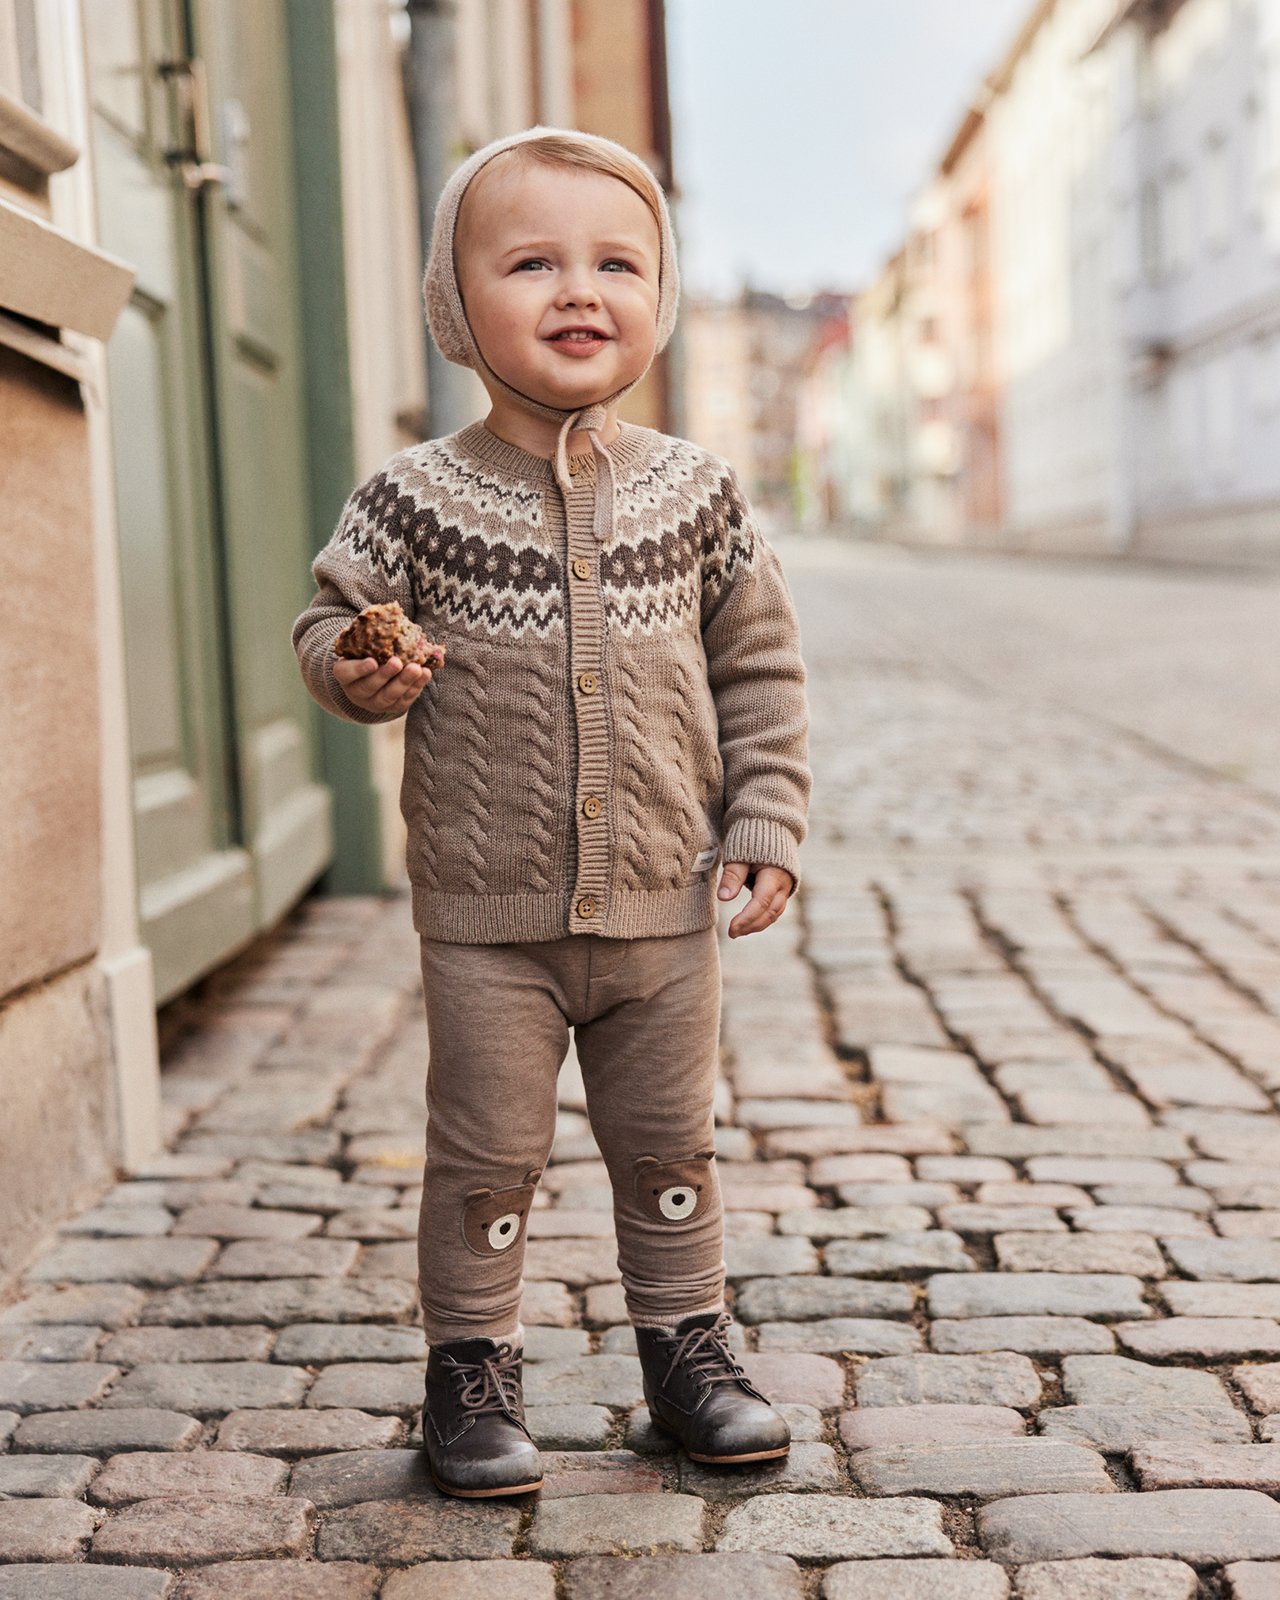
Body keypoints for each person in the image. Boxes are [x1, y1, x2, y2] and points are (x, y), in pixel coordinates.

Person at [292, 126, 811, 1499]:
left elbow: (759, 668)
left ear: (661, 297)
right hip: (487, 920)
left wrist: (765, 820)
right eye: (532, 262)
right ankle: (469, 1376)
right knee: (484, 1154)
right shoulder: (415, 496)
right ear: (456, 307)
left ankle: (687, 1354)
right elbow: (332, 624)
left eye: (617, 264)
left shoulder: (697, 493)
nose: (580, 290)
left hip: (662, 906)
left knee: (669, 1144)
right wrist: (357, 667)